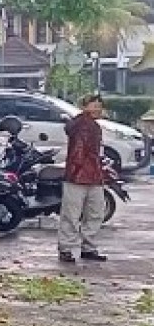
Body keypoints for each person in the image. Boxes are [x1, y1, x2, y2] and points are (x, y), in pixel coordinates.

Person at [58, 94, 108, 263]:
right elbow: (80, 152)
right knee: (83, 214)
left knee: (84, 214)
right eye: (94, 105)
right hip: (81, 175)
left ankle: (75, 247)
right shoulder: (83, 125)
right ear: (85, 106)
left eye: (99, 106)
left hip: (88, 174)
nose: (98, 109)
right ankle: (77, 247)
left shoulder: (87, 125)